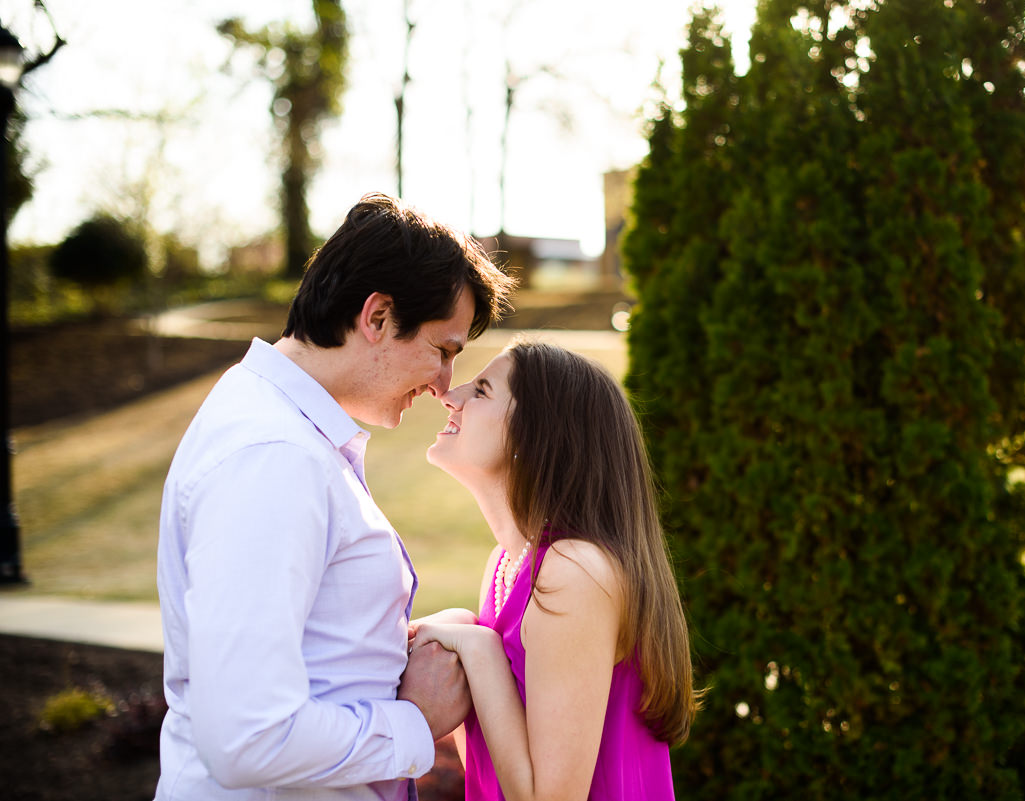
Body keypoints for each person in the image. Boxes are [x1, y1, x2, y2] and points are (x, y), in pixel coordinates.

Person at [155, 193, 515, 801]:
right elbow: (248, 737)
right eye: (443, 350)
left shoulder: (288, 435)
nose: (443, 385)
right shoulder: (274, 456)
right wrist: (414, 721)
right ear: (376, 317)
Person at [415, 339, 700, 801]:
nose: (451, 395)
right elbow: (496, 768)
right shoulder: (507, 565)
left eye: (482, 390)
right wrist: (465, 637)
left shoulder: (572, 572)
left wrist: (477, 647)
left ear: (536, 438)